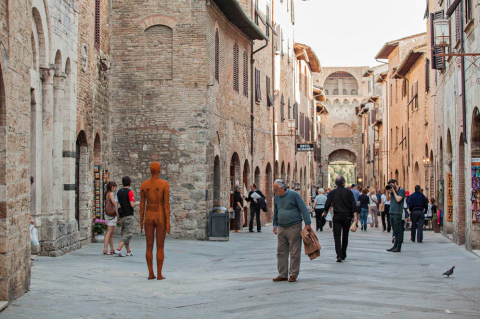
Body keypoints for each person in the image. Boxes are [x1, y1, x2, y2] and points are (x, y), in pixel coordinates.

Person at [272, 179, 311, 282]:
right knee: (281, 252)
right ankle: (282, 274)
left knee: (294, 251)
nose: (274, 192)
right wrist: (274, 225)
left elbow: (303, 209)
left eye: (275, 189)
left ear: (281, 189)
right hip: (281, 227)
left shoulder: (294, 195)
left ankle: (293, 274)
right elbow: (276, 211)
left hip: (294, 226)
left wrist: (308, 223)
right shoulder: (276, 196)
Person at [139, 162, 171, 280]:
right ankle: (159, 274)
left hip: (148, 215)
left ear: (150, 170)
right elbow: (166, 205)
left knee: (149, 246)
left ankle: (150, 273)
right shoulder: (164, 184)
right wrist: (168, 221)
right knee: (160, 246)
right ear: (159, 170)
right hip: (160, 215)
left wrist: (141, 222)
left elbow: (142, 206)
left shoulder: (144, 185)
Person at [323, 176, 358, 262]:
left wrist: (325, 211)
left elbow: (328, 203)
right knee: (345, 235)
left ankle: (338, 255)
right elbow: (353, 204)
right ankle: (343, 253)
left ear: (336, 183)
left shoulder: (333, 192)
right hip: (347, 216)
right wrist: (355, 217)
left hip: (337, 215)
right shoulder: (348, 192)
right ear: (344, 182)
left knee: (337, 236)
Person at [115, 176, 140, 257]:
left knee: (124, 233)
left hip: (122, 215)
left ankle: (128, 250)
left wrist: (118, 217)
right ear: (129, 183)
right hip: (129, 215)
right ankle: (118, 249)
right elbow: (132, 204)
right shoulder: (130, 192)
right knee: (128, 233)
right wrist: (138, 203)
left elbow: (116, 205)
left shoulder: (118, 192)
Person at [386, 179, 406, 252]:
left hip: (398, 213)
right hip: (392, 212)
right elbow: (387, 199)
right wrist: (387, 190)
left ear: (395, 183)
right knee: (394, 230)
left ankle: (398, 246)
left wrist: (394, 191)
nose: (391, 186)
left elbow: (398, 199)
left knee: (398, 230)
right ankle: (394, 246)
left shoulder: (401, 190)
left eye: (392, 184)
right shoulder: (391, 192)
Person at [104, 181, 119, 255]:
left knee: (111, 232)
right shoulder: (111, 194)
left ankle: (112, 248)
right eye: (115, 187)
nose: (116, 188)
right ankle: (105, 249)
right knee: (109, 231)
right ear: (112, 187)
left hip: (108, 214)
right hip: (111, 215)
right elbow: (114, 202)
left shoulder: (107, 193)